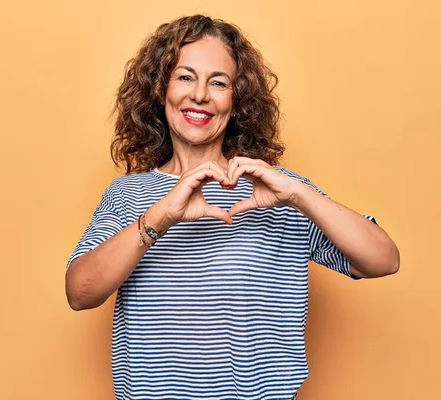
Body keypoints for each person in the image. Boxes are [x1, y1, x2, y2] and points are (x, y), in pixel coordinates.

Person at [65, 14, 400, 400]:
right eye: (185, 77)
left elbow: (383, 260)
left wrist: (299, 195)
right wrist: (162, 215)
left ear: (237, 101)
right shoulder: (128, 195)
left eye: (219, 82)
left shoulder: (276, 191)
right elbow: (80, 293)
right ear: (161, 90)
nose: (200, 95)